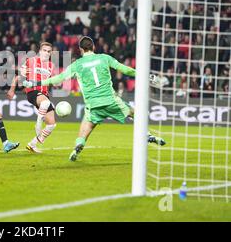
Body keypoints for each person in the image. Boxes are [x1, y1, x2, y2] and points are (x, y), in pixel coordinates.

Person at [23, 36, 166, 162]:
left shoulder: (77, 65)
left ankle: (78, 146)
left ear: (80, 49)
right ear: (94, 47)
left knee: (86, 127)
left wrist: (35, 83)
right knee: (135, 114)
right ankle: (146, 135)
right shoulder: (105, 58)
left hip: (92, 104)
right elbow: (125, 69)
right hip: (111, 100)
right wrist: (146, 76)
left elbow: (58, 78)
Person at [7, 42, 56, 153]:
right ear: (40, 51)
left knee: (51, 124)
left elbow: (50, 81)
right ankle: (38, 123)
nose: (46, 53)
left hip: (44, 94)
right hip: (33, 92)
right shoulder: (31, 61)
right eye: (44, 50)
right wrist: (11, 89)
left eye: (49, 51)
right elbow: (19, 76)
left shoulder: (51, 66)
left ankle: (32, 144)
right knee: (45, 103)